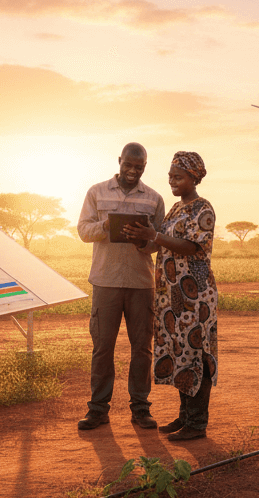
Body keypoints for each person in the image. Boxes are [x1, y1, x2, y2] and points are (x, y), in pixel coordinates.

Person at [122, 151, 217, 441]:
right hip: (172, 294)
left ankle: (197, 423)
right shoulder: (176, 208)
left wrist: (153, 235)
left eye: (178, 177)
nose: (172, 181)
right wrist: (139, 238)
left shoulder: (203, 208)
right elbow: (161, 242)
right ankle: (185, 416)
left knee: (196, 353)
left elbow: (191, 246)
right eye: (170, 176)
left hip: (195, 295)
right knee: (180, 352)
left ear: (194, 178)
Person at [75, 143, 166, 431]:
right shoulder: (96, 192)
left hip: (141, 283)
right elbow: (83, 231)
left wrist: (144, 240)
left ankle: (140, 408)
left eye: (139, 167)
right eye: (128, 165)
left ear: (145, 167)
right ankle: (98, 409)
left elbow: (160, 240)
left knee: (142, 349)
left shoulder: (154, 198)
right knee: (103, 347)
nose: (132, 171)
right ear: (119, 161)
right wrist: (106, 225)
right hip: (106, 282)